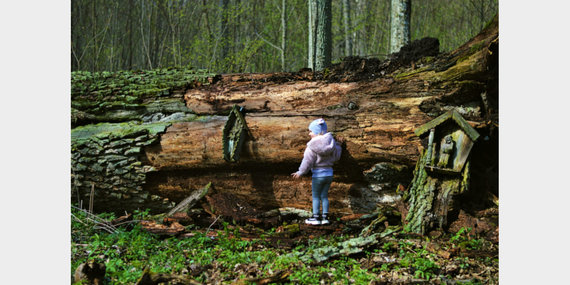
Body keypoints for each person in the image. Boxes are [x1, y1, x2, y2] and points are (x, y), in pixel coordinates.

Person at [291, 118, 342, 225]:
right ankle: (325, 217)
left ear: (318, 132)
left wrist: (301, 172)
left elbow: (307, 161)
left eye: (311, 131)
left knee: (316, 196)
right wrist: (339, 145)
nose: (309, 134)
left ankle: (315, 217)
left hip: (318, 175)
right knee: (324, 196)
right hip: (329, 174)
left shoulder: (311, 146)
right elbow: (337, 157)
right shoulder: (331, 143)